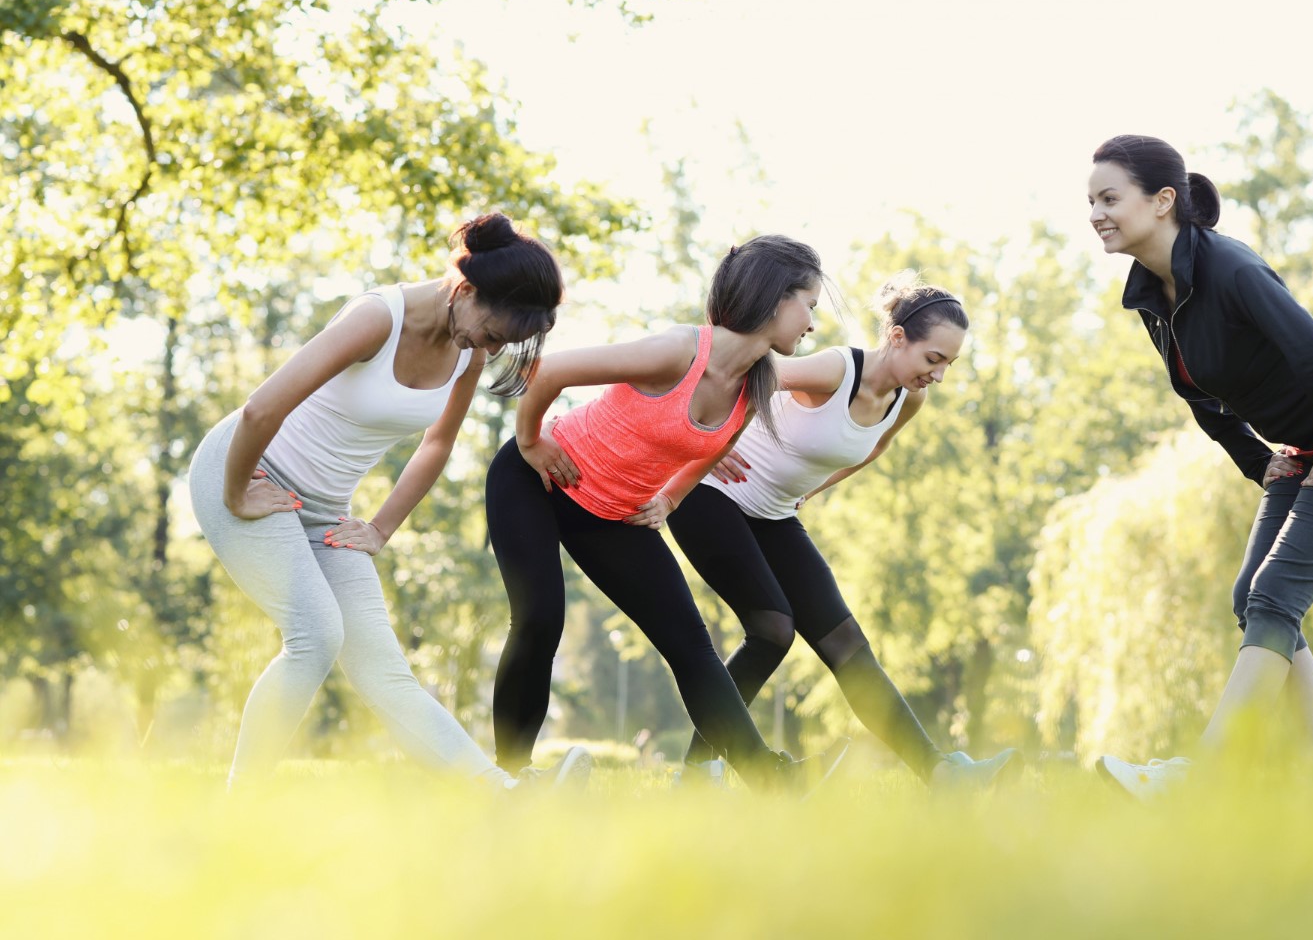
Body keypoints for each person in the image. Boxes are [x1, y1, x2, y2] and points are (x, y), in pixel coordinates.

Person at [1086, 135, 1313, 799]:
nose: (1096, 212)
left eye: (1109, 197)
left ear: (1162, 201)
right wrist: (1255, 459)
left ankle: (1200, 781)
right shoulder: (1155, 295)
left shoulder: (1231, 270)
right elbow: (1196, 394)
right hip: (1303, 441)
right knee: (1253, 600)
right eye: (1090, 201)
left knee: (1276, 599)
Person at [188, 212, 569, 790]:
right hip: (246, 469)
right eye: (493, 333)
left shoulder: (467, 353)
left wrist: (382, 527)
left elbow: (438, 442)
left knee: (385, 672)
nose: (490, 349)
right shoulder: (377, 319)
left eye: (503, 344)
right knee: (316, 636)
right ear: (465, 290)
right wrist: (237, 492)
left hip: (324, 509)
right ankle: (240, 805)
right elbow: (261, 409)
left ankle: (503, 795)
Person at [485, 235, 847, 792]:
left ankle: (767, 778)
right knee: (539, 618)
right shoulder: (681, 352)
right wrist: (532, 443)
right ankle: (509, 777)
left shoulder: (756, 384)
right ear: (777, 299)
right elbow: (549, 371)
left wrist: (673, 496)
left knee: (689, 643)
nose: (813, 324)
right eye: (811, 306)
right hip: (536, 480)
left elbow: (713, 448)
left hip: (614, 514)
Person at [666, 273, 1019, 789]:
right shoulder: (836, 368)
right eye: (933, 359)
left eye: (948, 364)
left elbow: (874, 447)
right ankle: (700, 772)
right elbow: (742, 370)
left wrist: (813, 490)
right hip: (712, 497)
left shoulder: (907, 399)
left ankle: (940, 774)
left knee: (848, 643)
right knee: (772, 629)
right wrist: (705, 443)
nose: (939, 375)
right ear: (897, 337)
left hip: (774, 513)